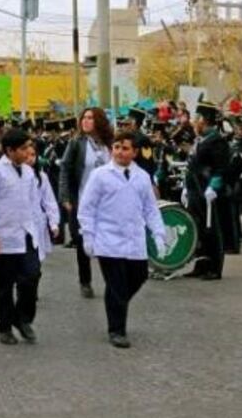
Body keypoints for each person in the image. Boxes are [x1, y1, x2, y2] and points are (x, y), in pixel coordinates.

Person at [77, 130, 166, 348]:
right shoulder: (100, 175)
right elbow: (87, 208)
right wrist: (88, 235)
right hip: (108, 239)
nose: (119, 152)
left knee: (139, 276)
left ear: (134, 152)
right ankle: (117, 329)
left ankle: (116, 305)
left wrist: (159, 234)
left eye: (125, 148)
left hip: (134, 239)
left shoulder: (142, 177)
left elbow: (150, 209)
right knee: (116, 285)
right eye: (116, 147)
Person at [0, 128, 43, 345]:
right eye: (24, 148)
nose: (28, 151)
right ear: (10, 150)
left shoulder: (28, 172)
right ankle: (5, 326)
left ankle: (23, 318)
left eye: (29, 147)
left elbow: (34, 203)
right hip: (4, 235)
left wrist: (40, 231)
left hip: (27, 233)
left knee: (32, 276)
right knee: (5, 284)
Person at [59, 108, 113, 299]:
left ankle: (112, 280)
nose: (86, 121)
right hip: (82, 200)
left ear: (99, 121)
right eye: (84, 118)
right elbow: (65, 169)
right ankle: (85, 281)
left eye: (90, 118)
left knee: (107, 241)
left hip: (107, 202)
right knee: (83, 241)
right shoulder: (77, 143)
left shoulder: (110, 144)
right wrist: (65, 197)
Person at [182, 101, 231, 281]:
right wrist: (187, 188)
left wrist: (214, 186)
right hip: (196, 190)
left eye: (197, 118)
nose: (195, 122)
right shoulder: (201, 139)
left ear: (205, 120)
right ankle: (201, 264)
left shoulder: (217, 141)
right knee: (200, 228)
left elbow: (221, 168)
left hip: (209, 192)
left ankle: (214, 267)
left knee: (213, 229)